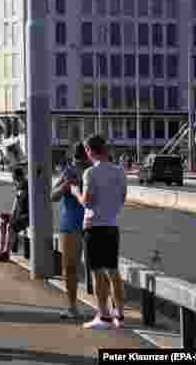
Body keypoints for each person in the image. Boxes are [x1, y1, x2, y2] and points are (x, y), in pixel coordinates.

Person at [75, 134, 127, 330]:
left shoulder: (90, 173)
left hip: (93, 227)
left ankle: (103, 316)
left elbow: (87, 201)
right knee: (113, 272)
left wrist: (75, 192)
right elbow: (122, 198)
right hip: (112, 226)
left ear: (89, 151)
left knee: (98, 273)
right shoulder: (120, 171)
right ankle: (119, 316)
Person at [52, 143, 89, 320]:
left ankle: (101, 309)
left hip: (87, 224)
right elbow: (53, 195)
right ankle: (73, 306)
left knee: (93, 268)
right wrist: (65, 186)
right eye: (78, 159)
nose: (80, 162)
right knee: (71, 268)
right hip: (73, 224)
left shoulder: (93, 172)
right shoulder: (69, 172)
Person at [0, 167, 29, 262]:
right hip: (18, 216)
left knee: (10, 226)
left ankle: (6, 253)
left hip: (27, 216)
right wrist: (10, 215)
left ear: (21, 177)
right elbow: (16, 203)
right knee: (1, 220)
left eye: (16, 179)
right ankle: (0, 250)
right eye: (14, 179)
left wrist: (13, 218)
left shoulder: (29, 187)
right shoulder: (19, 187)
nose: (15, 181)